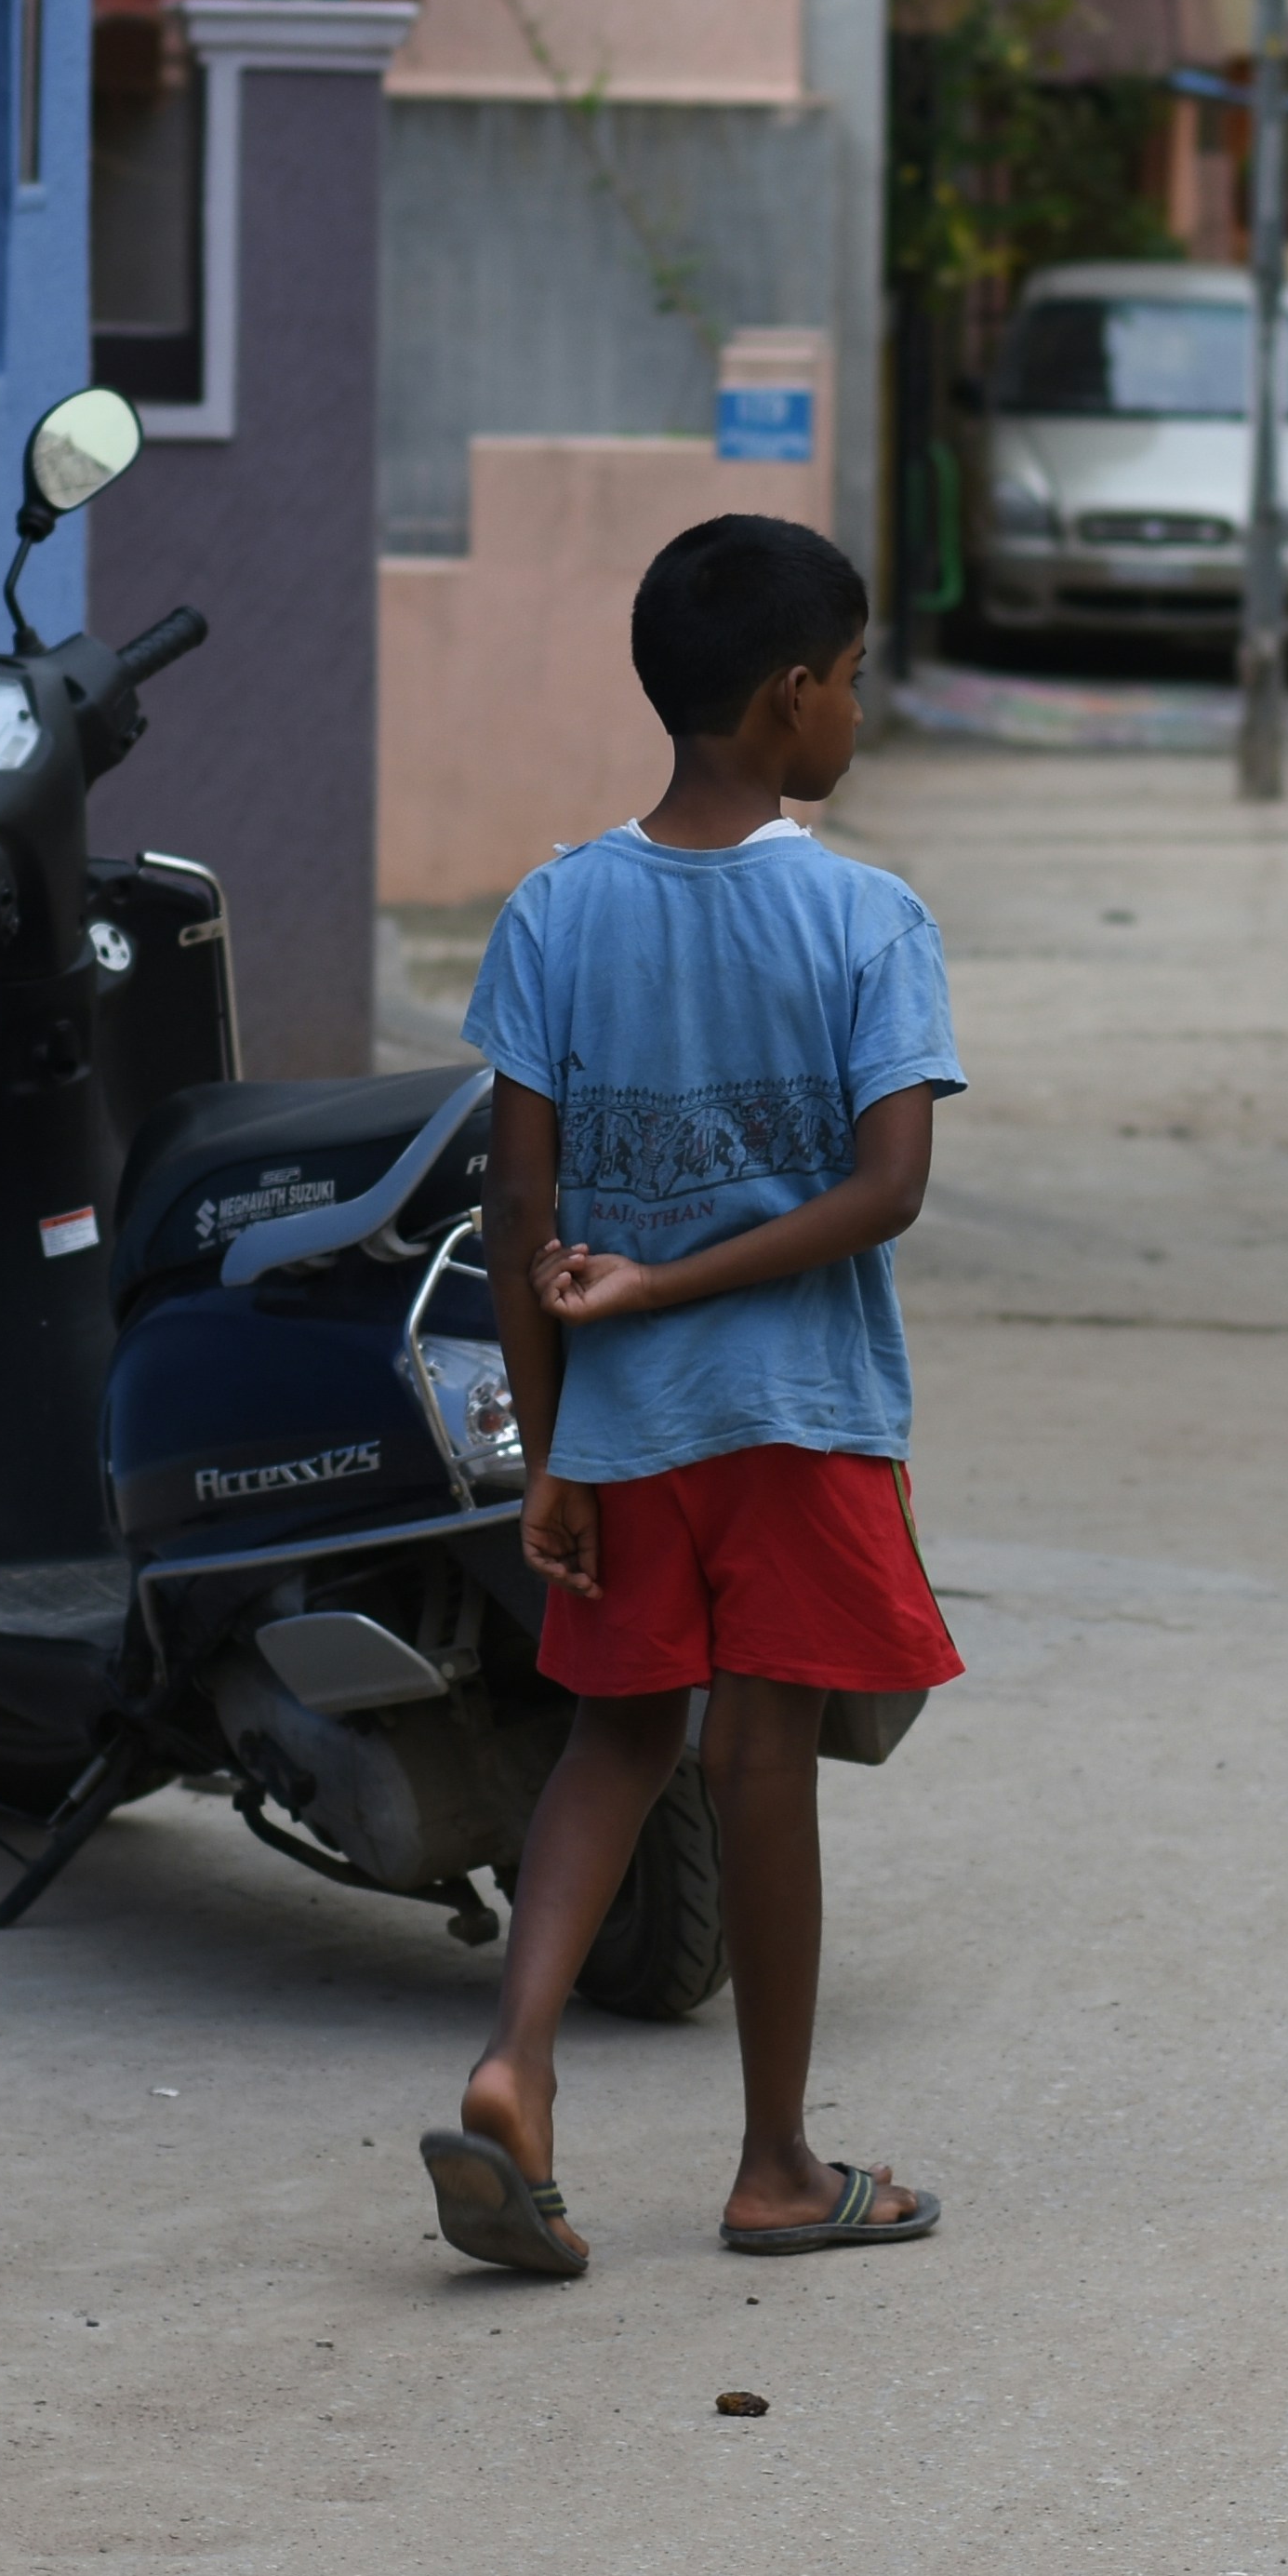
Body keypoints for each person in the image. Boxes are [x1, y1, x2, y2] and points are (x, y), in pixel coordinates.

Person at [417, 513, 964, 2280]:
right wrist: (674, 1279)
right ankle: (778, 2166)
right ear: (793, 697)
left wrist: (553, 1438)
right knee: (760, 1759)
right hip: (798, 1419)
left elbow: (516, 1216)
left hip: (626, 1430)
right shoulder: (867, 916)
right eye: (859, 682)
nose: (860, 714)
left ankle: (514, 2065)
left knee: (616, 1738)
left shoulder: (558, 908)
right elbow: (886, 1191)